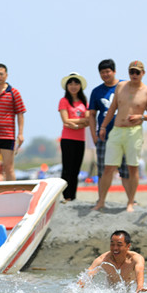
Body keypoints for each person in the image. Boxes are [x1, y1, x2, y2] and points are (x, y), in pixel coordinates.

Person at [93, 61, 147, 212]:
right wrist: (103, 126)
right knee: (108, 167)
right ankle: (101, 201)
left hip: (133, 131)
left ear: (143, 73)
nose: (134, 75)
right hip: (116, 130)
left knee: (132, 168)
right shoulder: (121, 87)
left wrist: (141, 117)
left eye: (137, 72)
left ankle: (130, 202)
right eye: (131, 72)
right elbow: (112, 108)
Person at [88, 59, 131, 205]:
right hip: (104, 136)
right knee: (103, 170)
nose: (105, 74)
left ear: (114, 71)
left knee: (126, 170)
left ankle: (131, 200)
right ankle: (101, 200)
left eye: (108, 71)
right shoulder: (96, 91)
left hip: (124, 135)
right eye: (102, 72)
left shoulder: (126, 86)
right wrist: (93, 134)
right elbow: (92, 115)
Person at [79, 230, 147, 293]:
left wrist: (140, 286)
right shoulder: (103, 260)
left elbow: (139, 271)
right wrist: (78, 288)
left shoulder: (136, 259)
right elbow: (88, 274)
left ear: (128, 246)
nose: (115, 248)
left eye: (119, 245)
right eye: (112, 244)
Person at [58, 72, 89, 202]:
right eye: (70, 83)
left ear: (80, 86)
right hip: (67, 139)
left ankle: (73, 196)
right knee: (67, 169)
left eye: (76, 83)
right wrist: (80, 121)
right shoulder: (64, 101)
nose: (73, 86)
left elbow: (88, 121)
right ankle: (66, 196)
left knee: (76, 169)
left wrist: (74, 122)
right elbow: (65, 120)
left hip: (80, 139)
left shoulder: (84, 101)